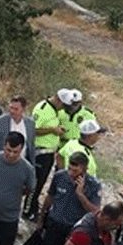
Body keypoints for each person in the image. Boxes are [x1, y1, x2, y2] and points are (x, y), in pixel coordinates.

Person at [34, 151, 101, 245]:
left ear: (84, 168)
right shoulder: (59, 176)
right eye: (69, 169)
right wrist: (41, 219)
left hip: (74, 230)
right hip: (54, 225)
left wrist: (80, 194)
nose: (71, 173)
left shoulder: (93, 185)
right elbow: (49, 198)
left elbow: (95, 211)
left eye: (75, 170)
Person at [25, 89, 76, 219]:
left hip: (49, 152)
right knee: (35, 184)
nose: (63, 108)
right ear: (58, 100)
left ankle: (33, 207)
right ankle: (27, 210)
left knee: (41, 183)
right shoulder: (43, 109)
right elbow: (33, 129)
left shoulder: (55, 110)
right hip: (40, 152)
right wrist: (52, 130)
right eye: (63, 105)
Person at [59, 202, 123, 245]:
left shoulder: (100, 224)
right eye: (116, 224)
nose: (118, 227)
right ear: (106, 219)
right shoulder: (83, 235)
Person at [0, 95, 36, 165]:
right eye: (11, 108)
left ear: (23, 109)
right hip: (1, 163)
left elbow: (31, 147)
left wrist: (32, 167)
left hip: (21, 164)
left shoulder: (30, 124)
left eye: (16, 109)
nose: (12, 111)